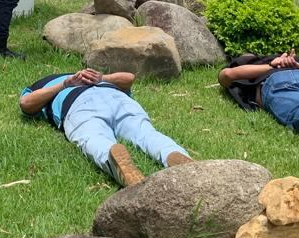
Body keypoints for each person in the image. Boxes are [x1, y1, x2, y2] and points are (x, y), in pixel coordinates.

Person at [18, 69, 191, 187]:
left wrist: (97, 79)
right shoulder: (59, 83)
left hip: (87, 103)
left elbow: (129, 77)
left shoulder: (50, 85)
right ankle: (174, 155)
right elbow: (26, 104)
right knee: (146, 134)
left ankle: (112, 156)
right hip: (108, 99)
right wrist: (69, 83)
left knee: (93, 137)